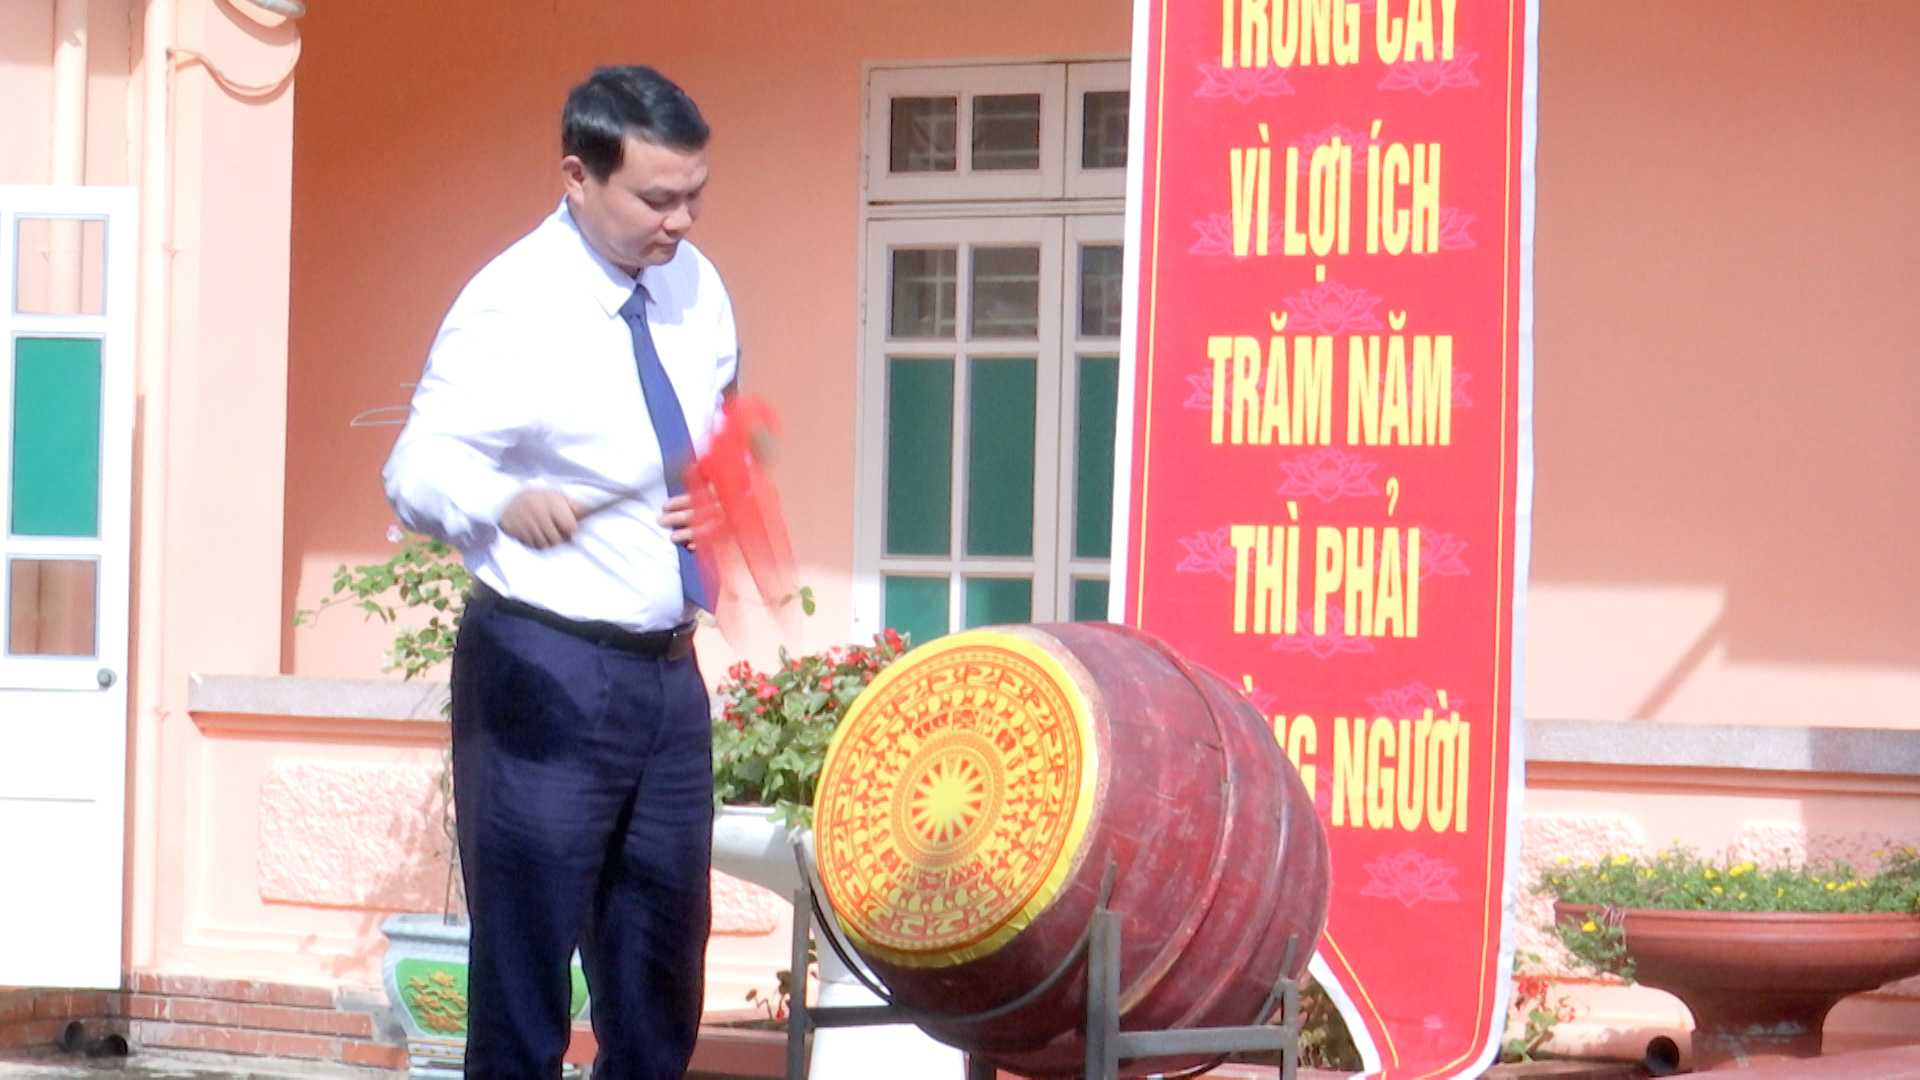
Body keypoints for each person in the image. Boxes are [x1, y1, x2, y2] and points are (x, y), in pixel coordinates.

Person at [383, 65, 734, 1080]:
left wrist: (719, 494)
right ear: (578, 178)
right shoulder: (512, 304)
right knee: (527, 983)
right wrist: (498, 500)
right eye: (657, 199)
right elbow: (416, 467)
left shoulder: (696, 284)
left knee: (660, 985)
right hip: (545, 672)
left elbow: (718, 425)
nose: (681, 222)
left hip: (668, 680)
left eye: (695, 195)